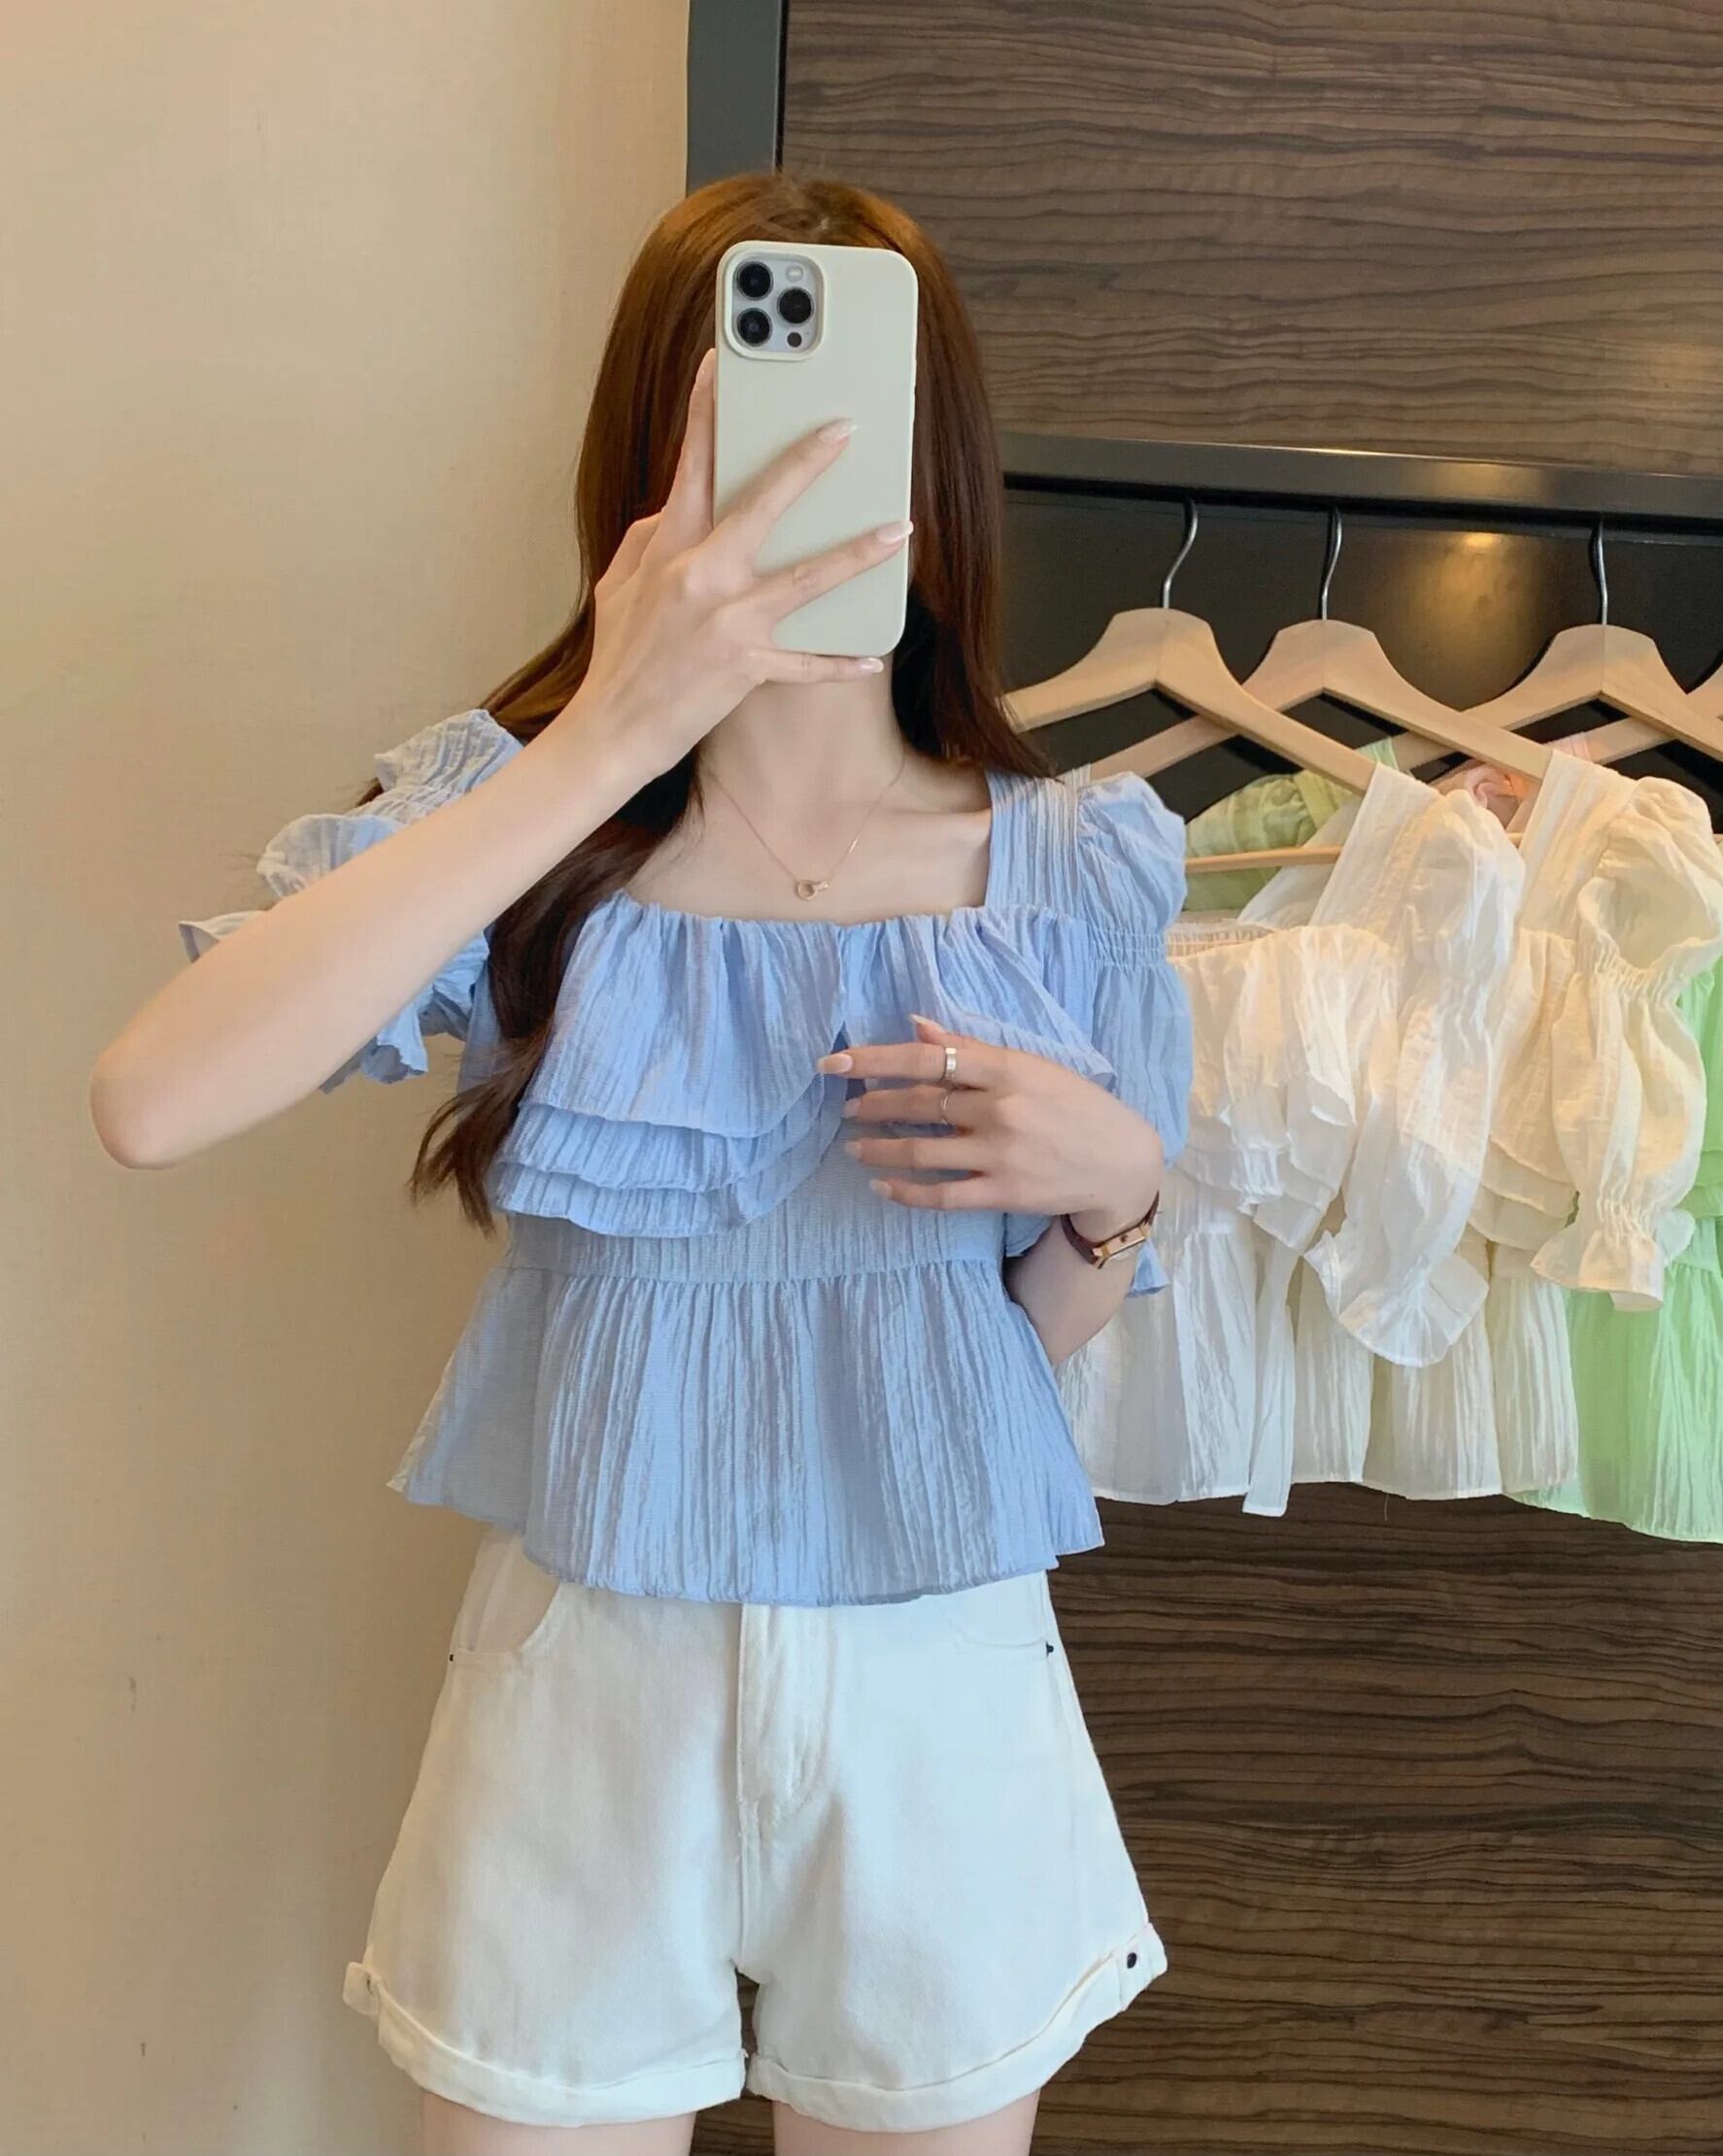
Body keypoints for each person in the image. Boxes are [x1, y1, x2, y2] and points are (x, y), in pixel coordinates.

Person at [88, 173, 1193, 2156]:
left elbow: (1012, 1357)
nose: (800, 481)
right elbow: (151, 1099)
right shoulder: (521, 827)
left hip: (940, 1672)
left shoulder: (1071, 868)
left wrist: (1116, 1186)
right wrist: (605, 735)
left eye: (853, 418)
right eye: (746, 429)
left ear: (934, 457)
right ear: (641, 476)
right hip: (581, 1674)